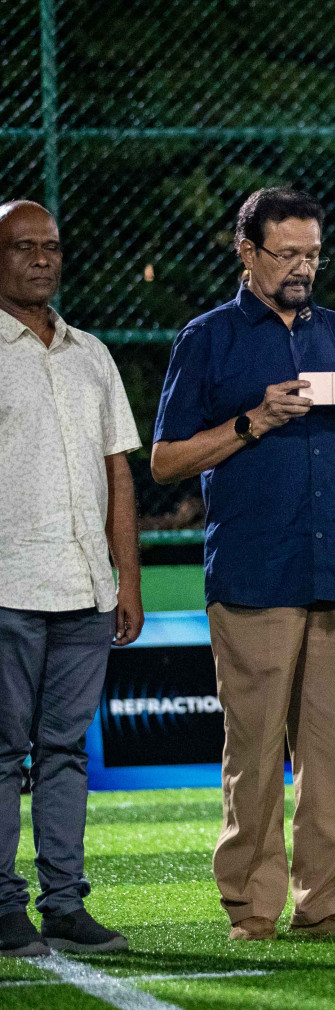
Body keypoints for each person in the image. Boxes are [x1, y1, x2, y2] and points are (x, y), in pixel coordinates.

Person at [151, 187, 335, 940]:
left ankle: (324, 904)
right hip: (255, 572)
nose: (302, 268)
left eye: (312, 254)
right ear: (245, 249)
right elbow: (163, 462)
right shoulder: (209, 338)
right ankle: (252, 908)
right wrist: (254, 421)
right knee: (253, 756)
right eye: (287, 253)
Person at [0, 200, 141, 956]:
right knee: (0, 754)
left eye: (51, 246)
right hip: (6, 588)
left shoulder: (92, 353)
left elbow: (118, 472)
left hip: (86, 589)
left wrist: (129, 580)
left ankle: (63, 903)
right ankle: (1, 906)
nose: (42, 259)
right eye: (24, 247)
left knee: (63, 753)